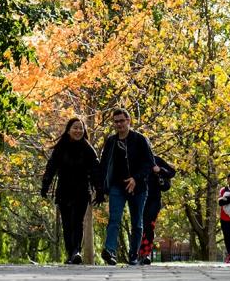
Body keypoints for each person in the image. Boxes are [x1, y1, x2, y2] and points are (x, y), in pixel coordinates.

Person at [97, 108, 155, 266]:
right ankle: (110, 251)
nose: (119, 124)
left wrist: (136, 178)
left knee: (137, 223)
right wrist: (101, 189)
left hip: (138, 187)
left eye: (122, 120)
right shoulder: (111, 141)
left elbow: (150, 163)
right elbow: (104, 165)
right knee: (114, 219)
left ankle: (134, 255)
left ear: (128, 121)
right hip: (118, 186)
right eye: (116, 121)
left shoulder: (140, 139)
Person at [41, 118, 101, 265]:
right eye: (75, 128)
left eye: (81, 128)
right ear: (68, 130)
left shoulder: (88, 149)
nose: (78, 131)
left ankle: (76, 251)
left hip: (81, 191)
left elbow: (95, 170)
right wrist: (45, 185)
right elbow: (51, 167)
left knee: (77, 221)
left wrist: (99, 190)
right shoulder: (61, 147)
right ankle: (70, 253)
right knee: (67, 223)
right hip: (64, 190)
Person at [139, 155, 176, 265]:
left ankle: (146, 253)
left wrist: (159, 169)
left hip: (154, 199)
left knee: (149, 225)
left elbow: (172, 172)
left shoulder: (156, 160)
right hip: (139, 198)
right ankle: (137, 253)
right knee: (139, 226)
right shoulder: (135, 159)